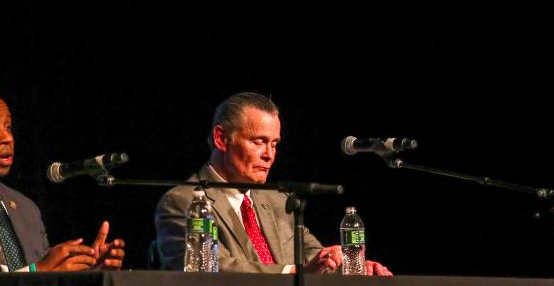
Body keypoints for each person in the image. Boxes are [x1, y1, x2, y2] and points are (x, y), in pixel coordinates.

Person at [154, 91, 391, 275]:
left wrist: (347, 268)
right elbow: (213, 268)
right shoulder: (183, 202)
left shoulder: (278, 200)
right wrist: (294, 272)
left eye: (274, 144)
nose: (269, 154)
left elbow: (315, 256)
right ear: (221, 138)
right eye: (258, 141)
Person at [0, 88, 126, 273]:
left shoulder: (26, 208)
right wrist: (37, 273)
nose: (7, 138)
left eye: (8, 127)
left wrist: (83, 277)